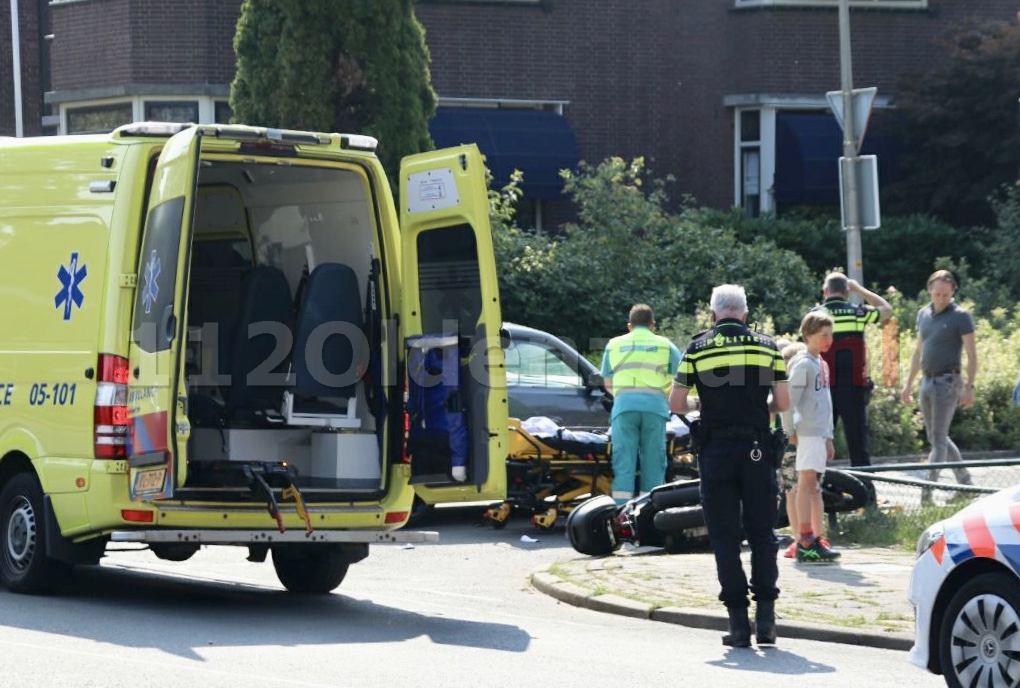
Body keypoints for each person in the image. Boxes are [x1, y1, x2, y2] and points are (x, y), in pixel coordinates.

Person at [669, 284, 789, 648]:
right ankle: (766, 621)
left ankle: (738, 625)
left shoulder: (697, 348)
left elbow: (676, 403)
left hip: (716, 450)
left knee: (724, 536)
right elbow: (781, 403)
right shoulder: (768, 346)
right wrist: (752, 411)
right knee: (762, 534)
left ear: (713, 314)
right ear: (746, 314)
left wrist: (701, 406)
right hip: (757, 449)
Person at [900, 270, 977, 493]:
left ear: (953, 292)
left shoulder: (961, 316)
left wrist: (969, 387)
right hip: (926, 380)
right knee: (938, 437)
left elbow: (972, 353)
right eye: (938, 294)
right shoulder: (923, 314)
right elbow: (918, 352)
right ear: (930, 291)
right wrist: (908, 384)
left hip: (948, 381)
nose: (942, 298)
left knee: (939, 438)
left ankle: (928, 489)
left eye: (946, 294)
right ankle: (965, 483)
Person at [601, 304, 683, 504]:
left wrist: (623, 396)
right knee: (654, 462)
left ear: (630, 326)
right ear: (653, 325)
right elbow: (680, 379)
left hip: (624, 408)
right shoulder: (666, 345)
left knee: (624, 463)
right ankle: (650, 512)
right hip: (655, 408)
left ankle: (621, 513)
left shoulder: (614, 344)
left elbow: (607, 382)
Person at [813, 271, 893, 467]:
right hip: (853, 386)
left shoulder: (814, 315)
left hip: (822, 386)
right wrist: (859, 289)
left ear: (825, 291)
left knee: (819, 442)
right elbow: (887, 310)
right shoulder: (857, 312)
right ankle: (865, 493)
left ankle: (819, 492)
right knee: (857, 442)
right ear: (847, 292)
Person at [782, 312, 840, 563]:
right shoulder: (803, 363)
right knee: (805, 483)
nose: (828, 340)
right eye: (822, 335)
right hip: (805, 432)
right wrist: (790, 431)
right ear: (808, 336)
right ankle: (805, 538)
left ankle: (815, 535)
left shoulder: (821, 363)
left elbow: (825, 403)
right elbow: (788, 400)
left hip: (818, 433)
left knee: (813, 486)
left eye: (830, 335)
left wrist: (828, 436)